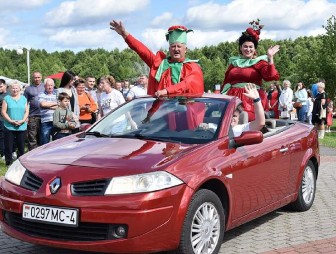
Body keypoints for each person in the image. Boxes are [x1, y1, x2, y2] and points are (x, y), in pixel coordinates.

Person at [110, 20, 204, 96]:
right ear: (169, 49)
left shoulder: (193, 67)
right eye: (173, 46)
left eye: (179, 46)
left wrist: (166, 91)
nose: (176, 49)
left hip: (183, 114)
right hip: (162, 113)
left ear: (185, 49)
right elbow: (142, 50)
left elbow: (186, 83)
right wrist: (124, 34)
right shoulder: (160, 64)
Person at [221, 19, 280, 121]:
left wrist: (270, 58)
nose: (248, 49)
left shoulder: (259, 62)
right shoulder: (235, 62)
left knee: (247, 122)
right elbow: (226, 81)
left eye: (250, 47)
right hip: (232, 98)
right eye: (245, 46)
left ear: (254, 49)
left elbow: (271, 76)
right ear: (240, 48)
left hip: (250, 99)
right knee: (229, 124)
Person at [1, 81, 29, 166]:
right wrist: (10, 121)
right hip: (9, 125)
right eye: (13, 88)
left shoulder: (24, 99)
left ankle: (20, 164)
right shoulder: (6, 99)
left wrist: (23, 120)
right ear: (10, 89)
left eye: (16, 88)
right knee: (8, 146)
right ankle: (8, 162)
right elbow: (3, 112)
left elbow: (26, 111)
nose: (15, 90)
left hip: (21, 126)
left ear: (20, 89)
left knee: (21, 146)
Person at [23, 71, 45, 150]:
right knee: (32, 136)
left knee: (43, 136)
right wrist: (25, 116)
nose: (37, 79)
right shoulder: (28, 89)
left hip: (44, 115)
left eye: (38, 77)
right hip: (33, 116)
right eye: (35, 77)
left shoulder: (45, 87)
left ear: (41, 78)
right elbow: (25, 102)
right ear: (33, 78)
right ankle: (32, 154)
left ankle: (41, 154)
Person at [38, 78, 58, 145]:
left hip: (57, 121)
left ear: (53, 85)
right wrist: (56, 103)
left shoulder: (57, 93)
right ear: (45, 86)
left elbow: (61, 106)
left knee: (57, 141)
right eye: (48, 85)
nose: (50, 87)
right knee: (44, 141)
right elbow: (43, 104)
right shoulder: (41, 94)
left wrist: (48, 106)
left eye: (51, 85)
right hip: (46, 121)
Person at [0, 79, 8, 159]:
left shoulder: (9, 95)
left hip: (8, 118)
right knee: (2, 136)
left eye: (1, 86)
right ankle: (3, 153)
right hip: (1, 119)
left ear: (5, 86)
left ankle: (11, 151)